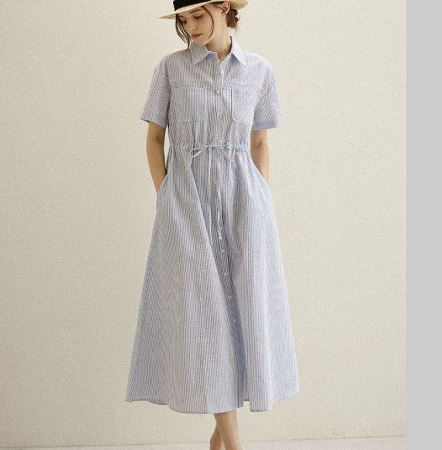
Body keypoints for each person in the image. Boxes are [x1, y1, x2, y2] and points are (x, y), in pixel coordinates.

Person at [126, 2, 300, 449]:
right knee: (205, 320)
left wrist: (261, 200)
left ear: (223, 9)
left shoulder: (259, 70)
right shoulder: (171, 69)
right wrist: (167, 196)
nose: (190, 28)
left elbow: (259, 141)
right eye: (183, 21)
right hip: (186, 205)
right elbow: (154, 138)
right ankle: (233, 445)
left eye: (197, 17)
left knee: (242, 314)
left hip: (245, 206)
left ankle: (219, 439)